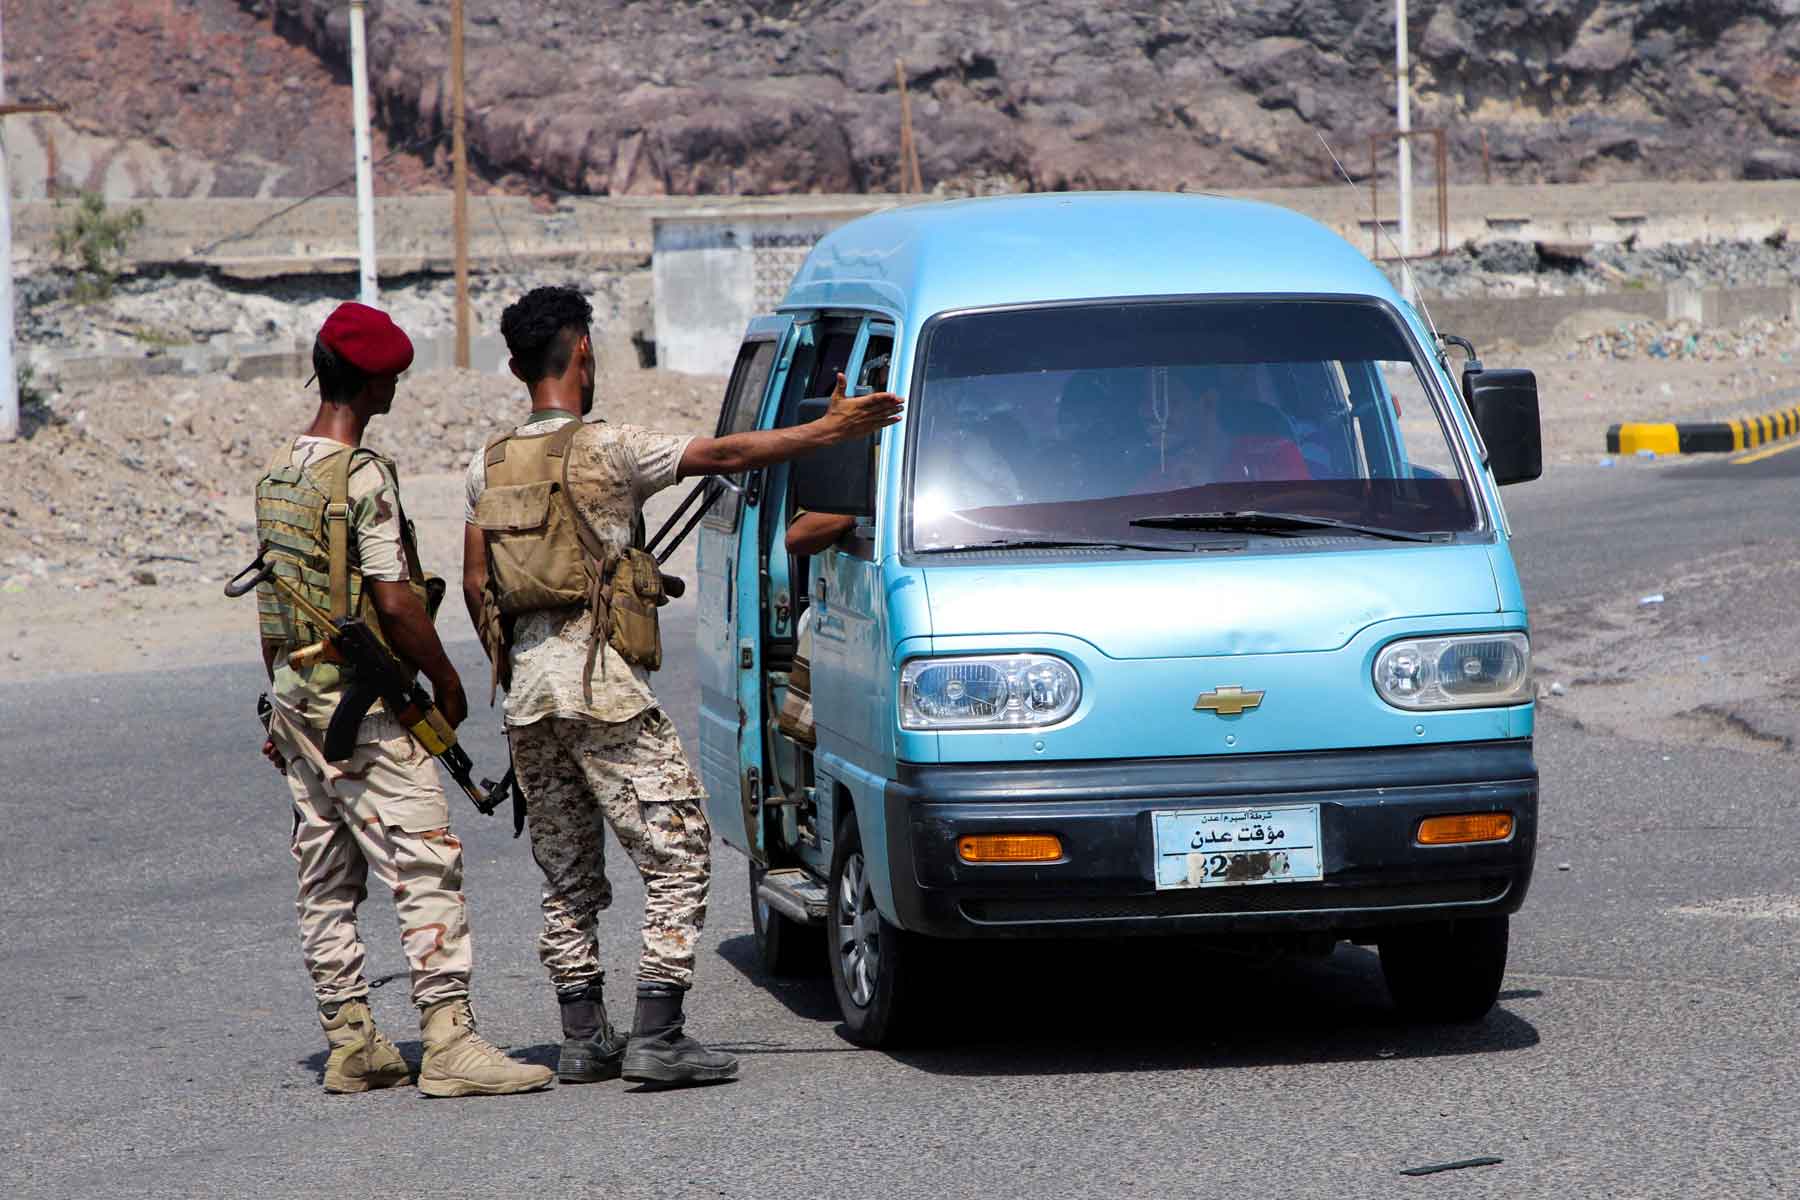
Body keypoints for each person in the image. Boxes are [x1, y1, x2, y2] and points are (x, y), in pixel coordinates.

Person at [461, 286, 902, 1088]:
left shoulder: (484, 464)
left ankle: (582, 1036)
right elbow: (727, 456)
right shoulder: (607, 448)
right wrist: (829, 431)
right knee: (681, 852)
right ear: (583, 352)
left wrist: (525, 657)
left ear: (518, 367)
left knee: (566, 872)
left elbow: (472, 584)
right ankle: (658, 1032)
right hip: (602, 691)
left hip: (527, 698)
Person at [254, 301, 553, 1098]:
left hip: (299, 703)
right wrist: (447, 682)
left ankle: (350, 1042)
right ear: (371, 383)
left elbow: (274, 606)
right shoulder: (360, 476)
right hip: (366, 710)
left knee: (325, 876)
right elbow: (393, 600)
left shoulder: (279, 472)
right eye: (392, 379)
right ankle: (448, 1040)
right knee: (424, 862)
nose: (395, 390)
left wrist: (280, 700)